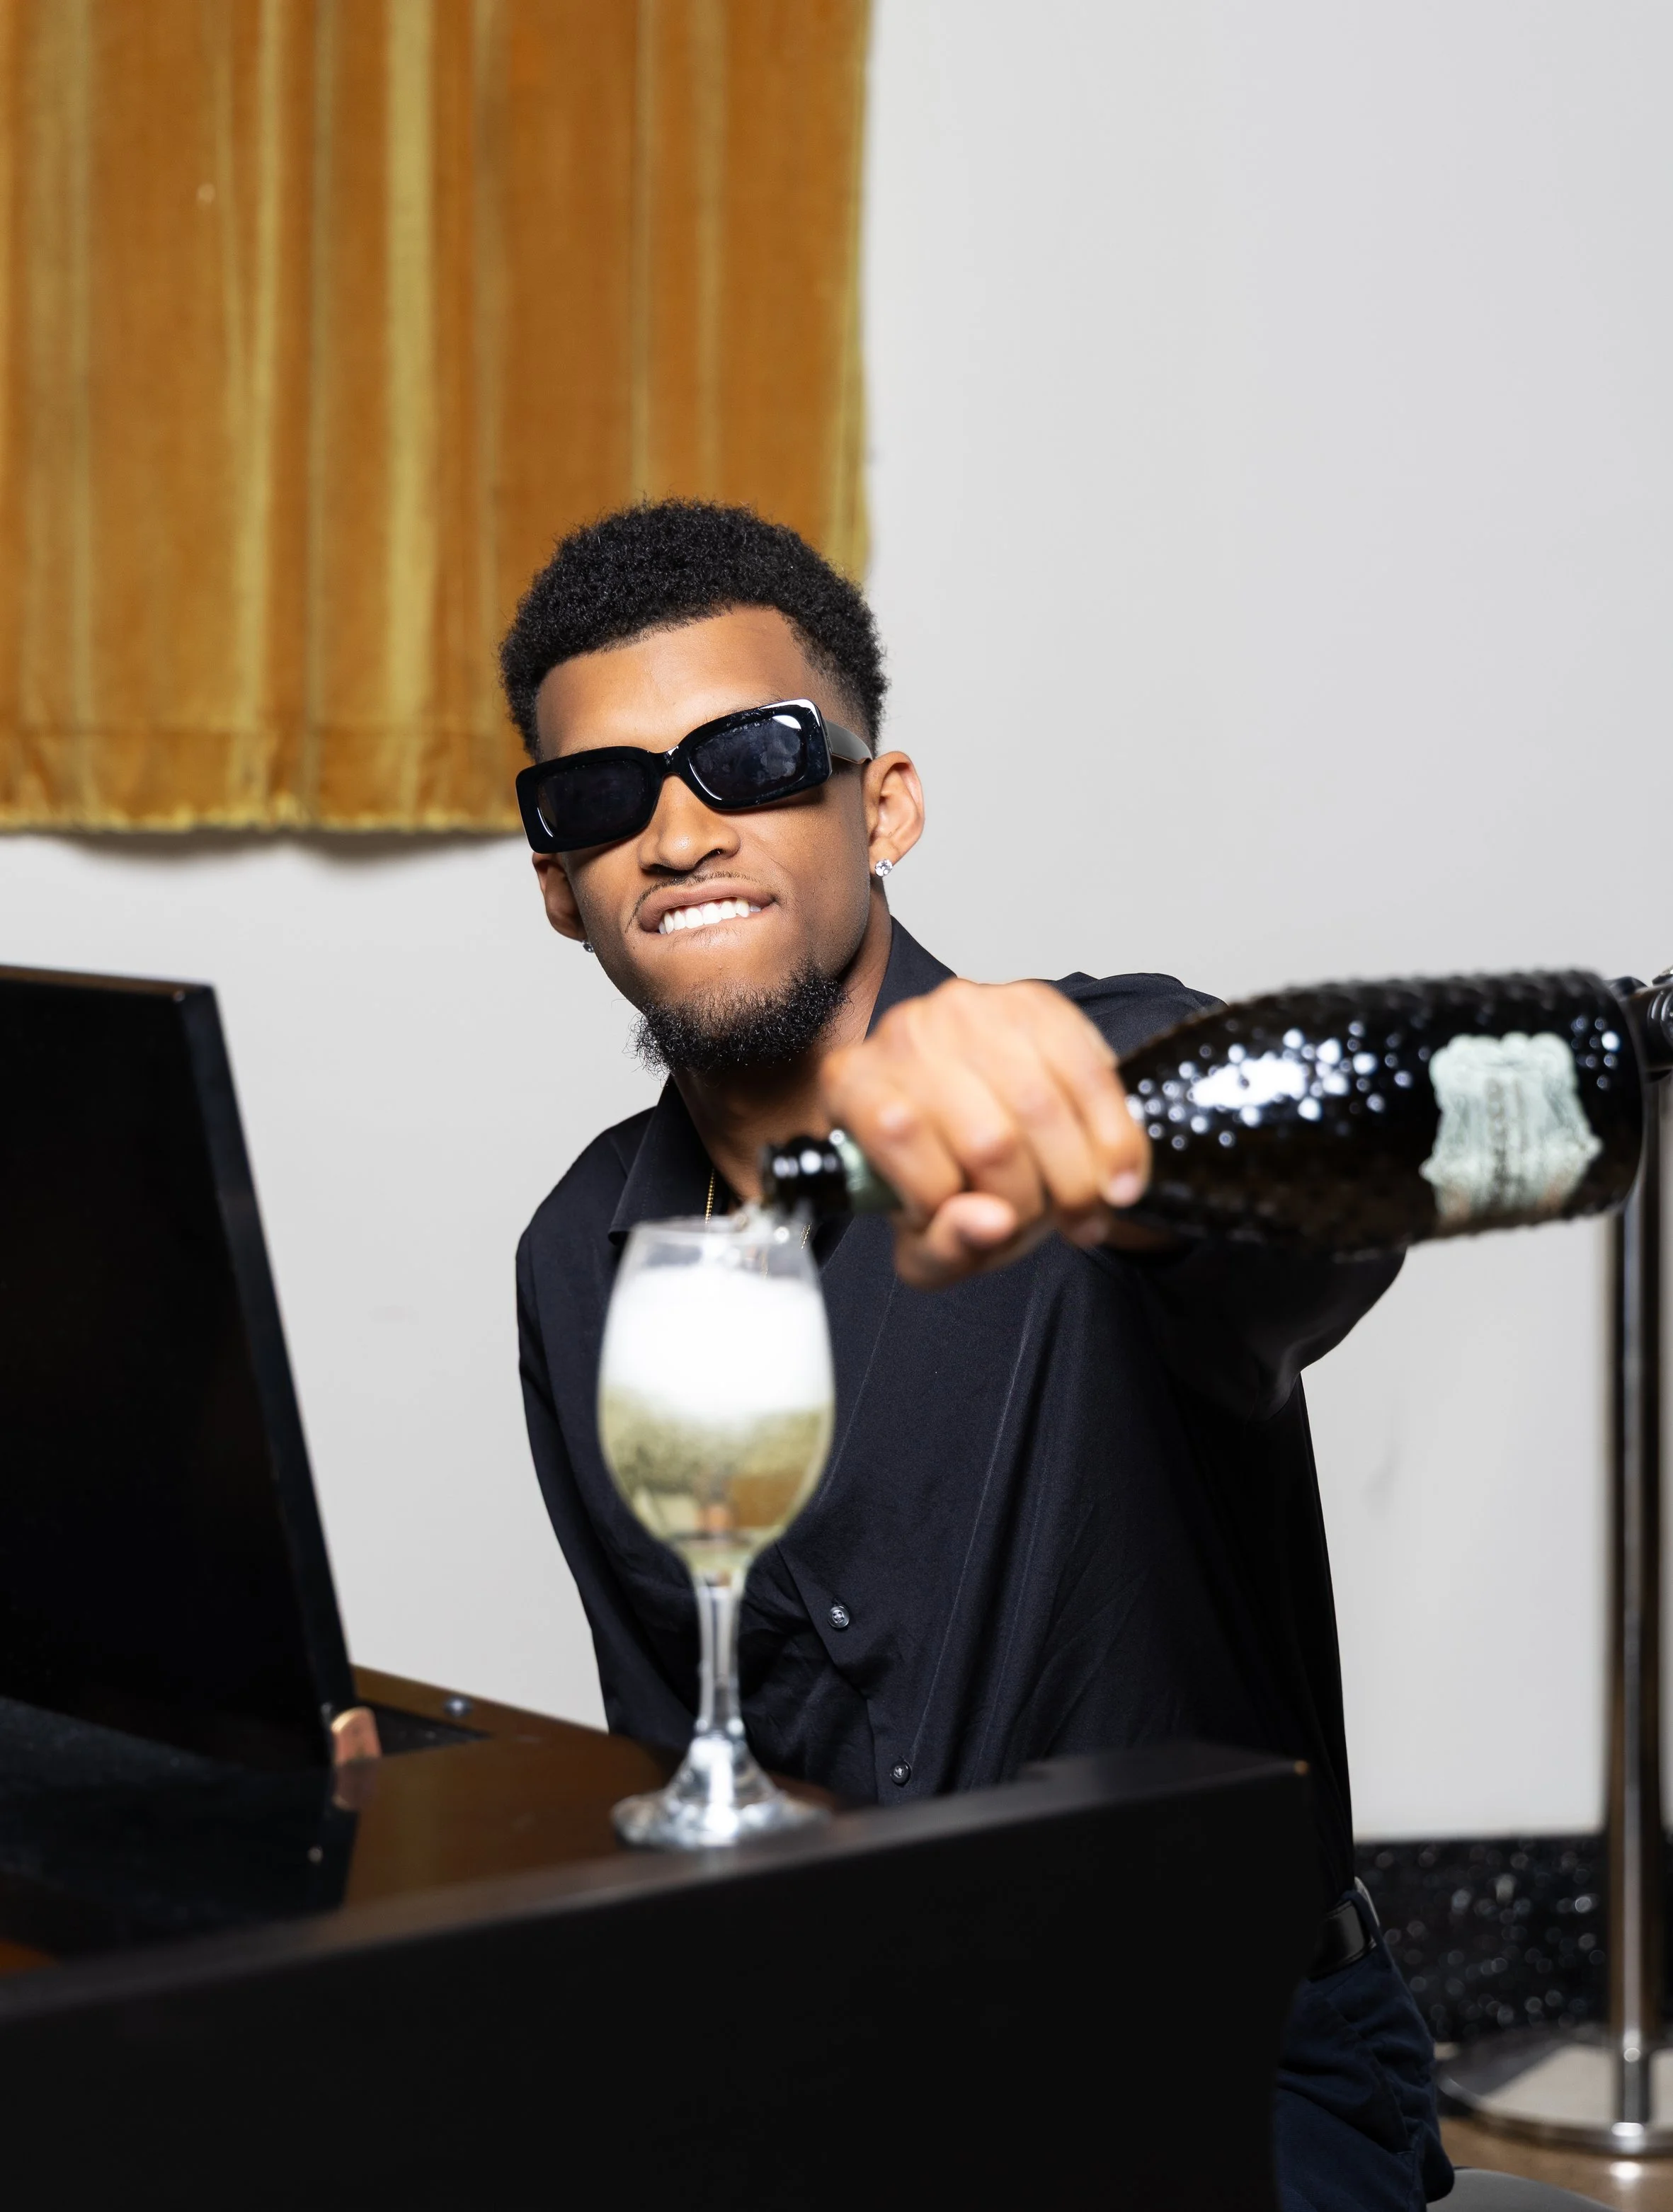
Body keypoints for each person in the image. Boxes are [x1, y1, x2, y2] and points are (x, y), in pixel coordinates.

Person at [503, 500, 1455, 2212]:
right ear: (558, 892)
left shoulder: (1099, 1067)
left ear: (884, 806)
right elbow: (685, 1770)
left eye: (747, 757)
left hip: (1227, 2057)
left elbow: (1330, 1196)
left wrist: (1120, 1120)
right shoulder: (582, 1258)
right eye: (599, 798)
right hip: (846, 2053)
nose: (673, 831)